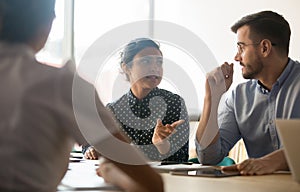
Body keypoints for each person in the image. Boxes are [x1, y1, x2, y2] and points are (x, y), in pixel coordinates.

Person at [0, 0, 163, 192]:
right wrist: (112, 173)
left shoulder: (172, 103)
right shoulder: (60, 85)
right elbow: (152, 185)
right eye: (146, 61)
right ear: (48, 22)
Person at [195, 10, 300, 175]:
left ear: (265, 48)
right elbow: (208, 156)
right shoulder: (239, 96)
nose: (237, 57)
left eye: (241, 48)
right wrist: (212, 99)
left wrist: (272, 162)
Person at [84, 38, 190, 162]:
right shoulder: (113, 109)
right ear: (126, 68)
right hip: (122, 177)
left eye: (159, 62)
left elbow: (182, 158)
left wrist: (162, 145)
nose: (154, 68)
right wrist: (91, 149)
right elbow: (89, 142)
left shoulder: (175, 104)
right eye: (146, 61)